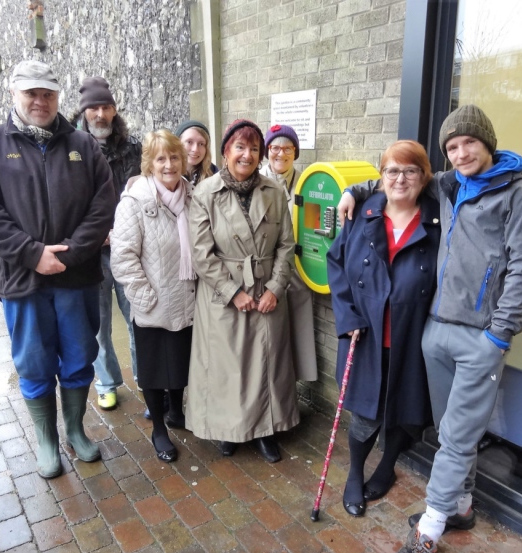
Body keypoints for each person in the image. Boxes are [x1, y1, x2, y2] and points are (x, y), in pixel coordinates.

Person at [338, 105, 522, 553]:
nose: (461, 152)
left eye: (468, 143)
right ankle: (463, 505)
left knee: (455, 435)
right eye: (452, 147)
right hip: (436, 330)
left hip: (481, 335)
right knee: (449, 427)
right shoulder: (449, 185)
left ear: (487, 142)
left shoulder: (519, 197)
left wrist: (499, 332)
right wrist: (353, 192)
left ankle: (430, 530)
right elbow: (398, 179)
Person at [0, 61, 115, 478]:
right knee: (33, 362)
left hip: (76, 278)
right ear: (14, 93)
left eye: (47, 93)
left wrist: (65, 257)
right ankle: (47, 439)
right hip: (22, 280)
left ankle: (75, 430)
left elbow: (102, 207)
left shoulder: (84, 146)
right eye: (31, 92)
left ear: (58, 97)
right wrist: (33, 255)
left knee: (79, 357)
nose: (39, 100)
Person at [327, 140, 440, 519]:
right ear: (381, 177)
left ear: (425, 178)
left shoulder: (439, 220)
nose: (401, 179)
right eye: (392, 170)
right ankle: (355, 474)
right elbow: (337, 263)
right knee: (365, 414)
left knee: (405, 411)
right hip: (368, 336)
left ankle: (387, 465)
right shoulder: (363, 213)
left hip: (415, 338)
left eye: (411, 171)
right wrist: (349, 318)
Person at [186, 119, 298, 463]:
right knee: (228, 365)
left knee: (267, 364)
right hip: (224, 296)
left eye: (253, 148)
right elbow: (201, 254)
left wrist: (276, 288)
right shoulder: (205, 193)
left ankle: (266, 431)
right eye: (240, 147)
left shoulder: (274, 192)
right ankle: (228, 429)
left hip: (267, 291)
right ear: (225, 151)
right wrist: (234, 291)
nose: (247, 155)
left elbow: (286, 245)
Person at [110, 129, 196, 463]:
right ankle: (159, 427)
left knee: (180, 360)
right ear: (149, 163)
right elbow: (123, 256)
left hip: (186, 297)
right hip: (155, 301)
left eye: (175, 157)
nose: (169, 164)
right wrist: (144, 298)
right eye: (161, 158)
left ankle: (177, 412)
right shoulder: (135, 201)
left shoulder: (192, 196)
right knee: (153, 369)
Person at [70, 76, 142, 411]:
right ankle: (107, 383)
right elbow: (67, 202)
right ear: (84, 111)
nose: (100, 113)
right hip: (92, 254)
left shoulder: (132, 148)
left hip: (129, 249)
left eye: (106, 107)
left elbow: (142, 193)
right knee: (98, 325)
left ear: (114, 111)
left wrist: (123, 230)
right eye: (94, 107)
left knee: (137, 316)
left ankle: (145, 377)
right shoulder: (68, 148)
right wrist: (95, 233)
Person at [261, 124, 318, 382]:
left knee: (296, 337)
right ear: (267, 151)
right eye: (275, 147)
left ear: (295, 152)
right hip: (265, 274)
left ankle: (290, 393)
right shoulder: (256, 181)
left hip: (295, 273)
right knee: (267, 339)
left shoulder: (306, 183)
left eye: (287, 148)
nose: (280, 154)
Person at [174, 120, 218, 186]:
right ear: (177, 143)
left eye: (201, 144)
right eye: (189, 142)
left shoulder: (216, 176)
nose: (195, 149)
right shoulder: (166, 174)